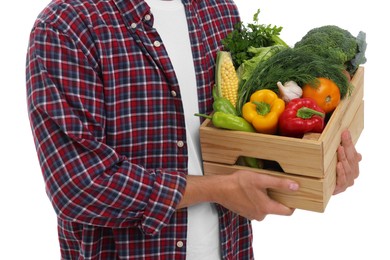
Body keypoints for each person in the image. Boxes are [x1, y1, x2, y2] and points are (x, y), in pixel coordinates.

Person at [26, 0, 362, 259]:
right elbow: (78, 187)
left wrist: (316, 173)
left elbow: (245, 148)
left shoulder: (217, 10)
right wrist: (218, 188)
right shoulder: (67, 26)